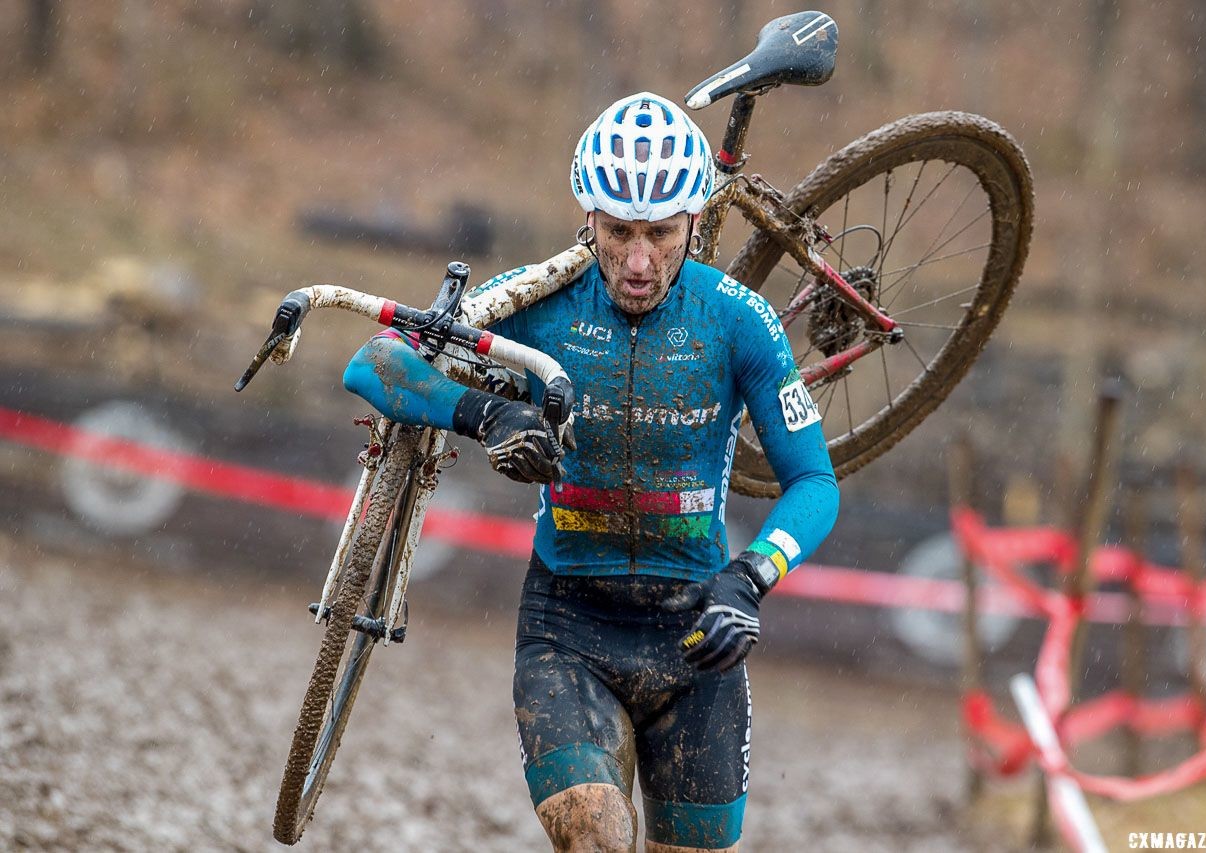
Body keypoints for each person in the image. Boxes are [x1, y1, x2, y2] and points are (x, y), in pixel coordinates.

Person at [342, 92, 839, 852]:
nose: (638, 261)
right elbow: (374, 361)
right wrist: (489, 416)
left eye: (661, 233)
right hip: (568, 626)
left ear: (695, 224)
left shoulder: (738, 319)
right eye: (618, 232)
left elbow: (814, 482)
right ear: (588, 221)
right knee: (596, 834)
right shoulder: (537, 302)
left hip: (699, 631)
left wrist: (751, 578)